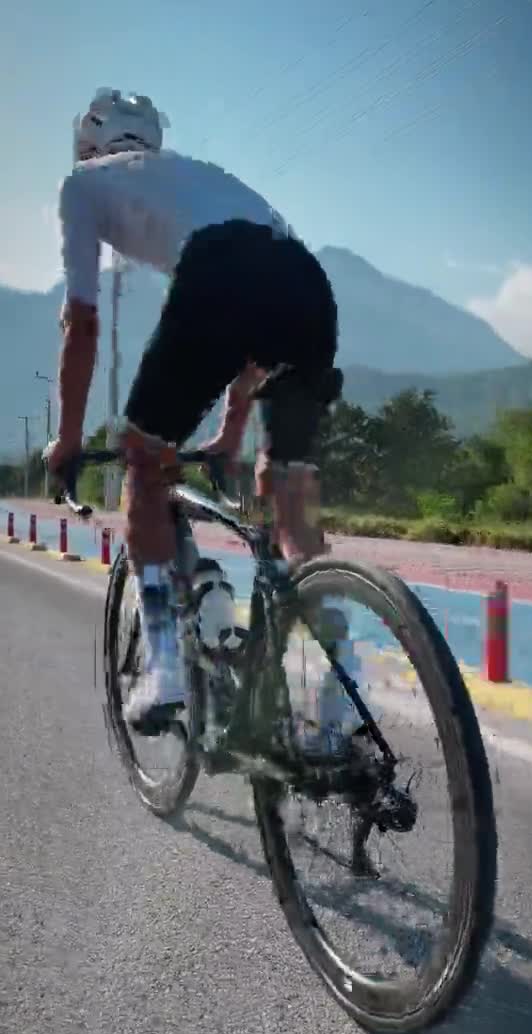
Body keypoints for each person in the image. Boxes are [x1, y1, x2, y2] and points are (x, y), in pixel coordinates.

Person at [44, 88, 345, 737]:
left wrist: (67, 440)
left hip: (221, 279)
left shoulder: (81, 186)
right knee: (289, 502)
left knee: (142, 470)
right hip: (307, 287)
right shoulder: (200, 180)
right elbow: (251, 305)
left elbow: (83, 323)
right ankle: (341, 693)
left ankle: (166, 667)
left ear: (89, 144)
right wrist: (232, 432)